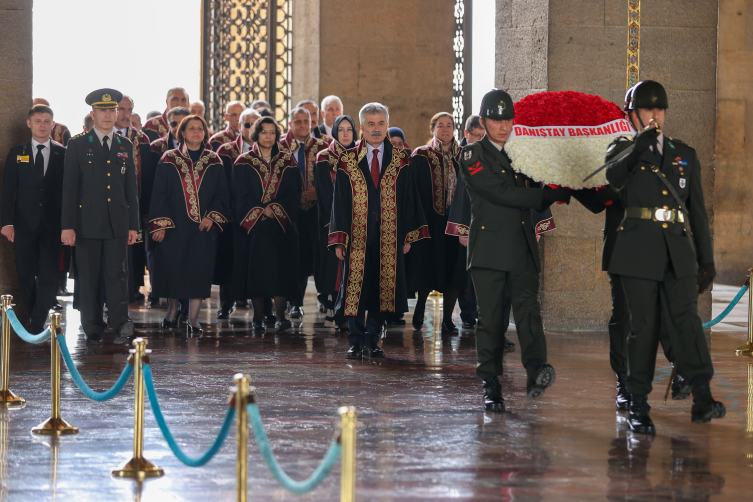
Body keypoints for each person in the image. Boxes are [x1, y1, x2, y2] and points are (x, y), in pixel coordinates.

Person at [605, 80, 724, 434]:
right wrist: (636, 147)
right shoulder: (620, 149)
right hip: (637, 251)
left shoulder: (683, 154)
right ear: (633, 115)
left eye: (660, 109)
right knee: (643, 329)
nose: (655, 115)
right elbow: (613, 179)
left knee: (686, 323)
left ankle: (702, 394)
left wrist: (706, 259)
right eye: (647, 110)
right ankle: (638, 403)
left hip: (678, 251)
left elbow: (697, 211)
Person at [459, 89, 571, 411]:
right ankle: (491, 383)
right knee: (491, 319)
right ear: (483, 121)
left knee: (529, 313)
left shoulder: (523, 152)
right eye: (496, 120)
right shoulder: (472, 155)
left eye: (508, 119)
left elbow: (541, 180)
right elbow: (503, 193)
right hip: (490, 249)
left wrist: (561, 182)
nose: (503, 126)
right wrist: (546, 197)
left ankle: (536, 371)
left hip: (522, 247)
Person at [329, 102, 427, 359]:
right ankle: (355, 339)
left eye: (381, 124)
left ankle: (373, 340)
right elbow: (339, 202)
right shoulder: (347, 160)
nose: (376, 129)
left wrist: (406, 236)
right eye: (370, 124)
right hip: (356, 236)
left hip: (389, 236)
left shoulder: (401, 161)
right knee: (355, 288)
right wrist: (339, 239)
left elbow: (409, 201)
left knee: (382, 287)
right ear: (362, 127)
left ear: (387, 124)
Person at [61, 88, 140, 345]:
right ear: (92, 113)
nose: (108, 115)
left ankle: (120, 323)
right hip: (87, 225)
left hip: (117, 224)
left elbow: (131, 190)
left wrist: (134, 226)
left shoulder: (125, 144)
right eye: (102, 110)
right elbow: (70, 190)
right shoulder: (77, 144)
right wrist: (68, 226)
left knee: (118, 276)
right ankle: (92, 325)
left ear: (117, 113)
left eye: (112, 110)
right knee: (90, 276)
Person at [148, 115, 230, 336]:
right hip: (173, 227)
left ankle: (193, 318)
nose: (196, 132)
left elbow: (222, 195)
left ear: (205, 133)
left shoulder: (215, 161)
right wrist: (161, 224)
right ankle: (172, 310)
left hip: (202, 229)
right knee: (173, 271)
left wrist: (211, 216)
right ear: (182, 133)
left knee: (198, 273)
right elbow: (159, 195)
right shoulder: (168, 159)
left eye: (200, 129)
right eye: (191, 128)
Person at [232, 117, 301, 332]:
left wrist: (276, 210)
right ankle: (258, 318)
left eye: (272, 132)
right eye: (264, 132)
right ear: (256, 134)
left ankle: (281, 317)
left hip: (281, 228)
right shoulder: (243, 162)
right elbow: (238, 196)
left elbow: (294, 193)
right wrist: (260, 211)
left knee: (281, 274)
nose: (268, 136)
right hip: (254, 229)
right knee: (257, 275)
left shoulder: (289, 161)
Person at [1, 104, 65, 333]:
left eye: (47, 121)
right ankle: (34, 315)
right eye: (38, 121)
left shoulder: (62, 153)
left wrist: (68, 225)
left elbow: (67, 193)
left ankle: (36, 324)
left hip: (52, 225)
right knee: (25, 273)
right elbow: (8, 190)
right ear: (29, 123)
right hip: (23, 225)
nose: (42, 125)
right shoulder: (16, 153)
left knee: (49, 276)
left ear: (52, 124)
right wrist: (6, 223)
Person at [406, 112, 464, 333]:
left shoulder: (463, 156)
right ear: (433, 129)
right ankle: (420, 308)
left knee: (453, 271)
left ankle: (448, 319)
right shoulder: (421, 155)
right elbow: (414, 191)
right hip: (430, 221)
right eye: (441, 125)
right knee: (428, 267)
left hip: (456, 223)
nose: (446, 129)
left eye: (449, 125)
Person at [279, 107, 328, 318]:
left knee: (320, 254)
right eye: (297, 121)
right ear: (290, 124)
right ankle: (294, 302)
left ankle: (325, 298)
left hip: (317, 209)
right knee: (295, 256)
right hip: (290, 211)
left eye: (305, 121)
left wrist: (320, 192)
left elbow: (333, 177)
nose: (302, 125)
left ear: (311, 123)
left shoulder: (322, 146)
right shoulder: (279, 146)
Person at [214, 108, 261, 319]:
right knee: (228, 260)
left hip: (258, 217)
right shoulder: (224, 151)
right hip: (230, 215)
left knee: (256, 261)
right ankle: (225, 303)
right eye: (247, 125)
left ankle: (260, 307)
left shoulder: (270, 151)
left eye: (255, 125)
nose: (251, 129)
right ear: (239, 127)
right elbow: (218, 184)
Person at [314, 114, 356, 330]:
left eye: (349, 129)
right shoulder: (324, 157)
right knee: (333, 269)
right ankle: (333, 308)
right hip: (332, 223)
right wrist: (337, 222)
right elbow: (325, 195)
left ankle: (352, 312)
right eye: (341, 130)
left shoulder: (361, 155)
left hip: (359, 224)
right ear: (335, 132)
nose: (346, 133)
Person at [115, 95, 152, 302]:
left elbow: (146, 176)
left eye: (130, 110)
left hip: (134, 204)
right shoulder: (98, 135)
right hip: (107, 205)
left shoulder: (142, 138)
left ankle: (132, 290)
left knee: (134, 250)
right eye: (122, 109)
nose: (126, 114)